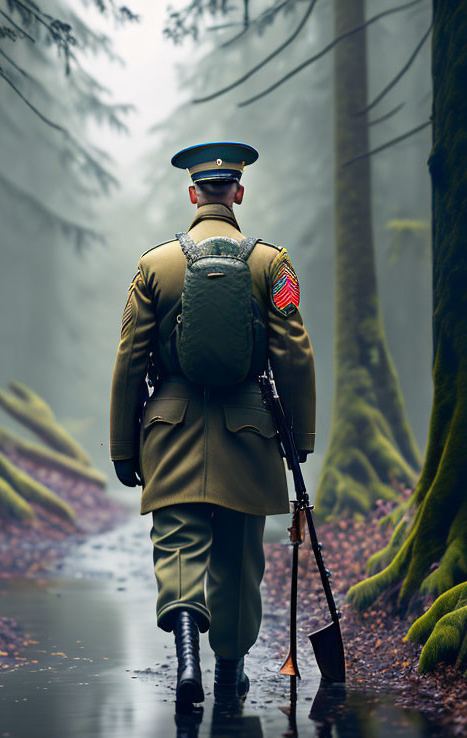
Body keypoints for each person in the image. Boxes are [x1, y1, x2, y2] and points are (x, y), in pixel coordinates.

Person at [109, 141, 316, 706]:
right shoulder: (275, 264)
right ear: (239, 194)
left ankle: (185, 665)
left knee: (177, 546)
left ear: (194, 193)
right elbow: (294, 351)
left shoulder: (154, 265)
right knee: (239, 559)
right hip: (249, 431)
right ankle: (229, 676)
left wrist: (124, 447)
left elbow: (130, 357)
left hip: (169, 428)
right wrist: (301, 439)